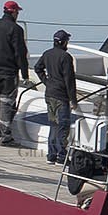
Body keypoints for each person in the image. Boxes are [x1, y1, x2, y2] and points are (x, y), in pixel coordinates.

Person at [0, 0, 29, 146]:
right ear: (14, 12)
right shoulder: (16, 30)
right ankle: (5, 135)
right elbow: (20, 54)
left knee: (0, 101)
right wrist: (25, 74)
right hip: (8, 71)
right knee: (7, 102)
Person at [34, 29, 78, 166]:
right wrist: (73, 99)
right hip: (61, 96)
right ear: (64, 42)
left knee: (53, 125)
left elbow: (37, 68)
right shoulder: (66, 57)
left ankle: (51, 155)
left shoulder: (47, 54)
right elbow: (69, 80)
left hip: (50, 94)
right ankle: (61, 156)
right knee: (63, 126)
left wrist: (47, 81)